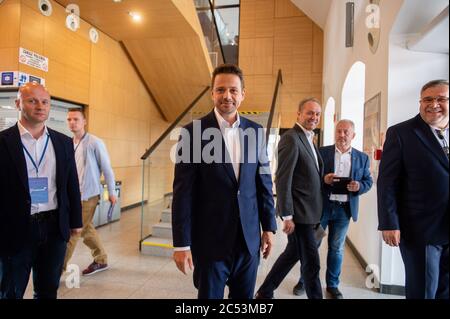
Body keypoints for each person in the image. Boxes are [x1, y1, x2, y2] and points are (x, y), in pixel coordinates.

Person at [171, 64, 277, 299]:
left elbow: (264, 183)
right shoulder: (192, 133)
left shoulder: (257, 132)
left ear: (242, 94)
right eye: (220, 90)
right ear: (212, 93)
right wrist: (181, 244)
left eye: (233, 90)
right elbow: (182, 193)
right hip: (210, 243)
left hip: (248, 243)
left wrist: (268, 226)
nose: (226, 96)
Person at [0, 82, 82, 299]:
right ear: (18, 103)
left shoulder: (63, 142)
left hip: (54, 227)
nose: (40, 106)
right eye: (32, 101)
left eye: (45, 102)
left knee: (47, 290)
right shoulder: (3, 142)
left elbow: (71, 184)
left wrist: (76, 221)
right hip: (15, 226)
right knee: (10, 290)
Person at [378, 79, 449, 299]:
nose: (434, 104)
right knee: (423, 291)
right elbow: (387, 182)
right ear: (420, 103)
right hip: (420, 229)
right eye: (428, 99)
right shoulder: (402, 133)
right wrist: (389, 222)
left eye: (441, 99)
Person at [255, 98, 324, 299]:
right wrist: (287, 215)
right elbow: (283, 178)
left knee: (292, 254)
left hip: (311, 212)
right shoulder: (291, 138)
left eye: (317, 114)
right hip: (300, 214)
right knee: (312, 263)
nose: (314, 117)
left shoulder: (308, 138)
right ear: (299, 114)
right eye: (310, 113)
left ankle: (265, 291)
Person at [308, 119, 373, 299]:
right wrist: (324, 179)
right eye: (339, 131)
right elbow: (310, 176)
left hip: (344, 210)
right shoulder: (321, 152)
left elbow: (368, 181)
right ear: (335, 133)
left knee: (336, 249)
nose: (342, 135)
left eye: (346, 132)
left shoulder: (362, 157)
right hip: (322, 208)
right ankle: (305, 280)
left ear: (353, 135)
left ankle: (332, 285)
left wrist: (359, 186)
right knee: (312, 246)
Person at [63, 108, 116, 275]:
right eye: (69, 119)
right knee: (85, 229)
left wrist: (112, 192)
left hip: (88, 196)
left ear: (84, 121)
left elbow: (107, 169)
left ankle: (56, 270)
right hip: (73, 195)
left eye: (76, 119)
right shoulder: (69, 143)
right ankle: (101, 259)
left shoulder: (95, 142)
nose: (72, 122)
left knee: (74, 231)